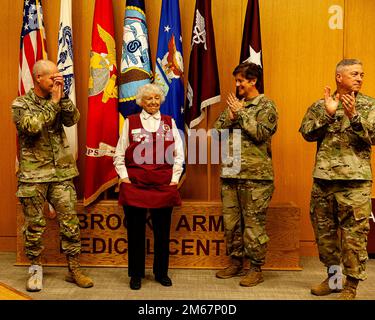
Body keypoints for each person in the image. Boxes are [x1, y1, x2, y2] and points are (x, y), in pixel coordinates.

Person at [11, 59, 93, 292]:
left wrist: (63, 98)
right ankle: (35, 268)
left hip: (62, 174)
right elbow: (31, 127)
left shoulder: (58, 99)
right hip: (34, 175)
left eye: (59, 76)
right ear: (38, 78)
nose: (58, 80)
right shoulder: (20, 103)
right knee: (34, 226)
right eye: (52, 77)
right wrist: (54, 102)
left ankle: (74, 268)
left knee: (70, 223)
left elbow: (72, 119)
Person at [299, 59, 375, 300]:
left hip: (355, 182)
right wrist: (329, 116)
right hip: (324, 180)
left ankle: (351, 286)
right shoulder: (321, 105)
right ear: (339, 77)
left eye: (362, 74)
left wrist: (354, 116)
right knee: (325, 235)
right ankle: (333, 280)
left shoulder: (369, 105)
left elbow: (373, 137)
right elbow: (307, 133)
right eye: (354, 74)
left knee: (354, 238)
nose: (360, 78)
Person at [113, 83, 184, 290]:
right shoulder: (130, 122)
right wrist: (125, 178)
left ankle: (161, 272)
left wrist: (174, 179)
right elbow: (119, 153)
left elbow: (179, 155)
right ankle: (136, 274)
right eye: (148, 99)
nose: (153, 102)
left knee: (162, 232)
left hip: (163, 185)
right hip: (135, 185)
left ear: (161, 100)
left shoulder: (169, 122)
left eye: (156, 98)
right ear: (141, 102)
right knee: (135, 232)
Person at [213, 62, 278, 287]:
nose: (237, 84)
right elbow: (215, 133)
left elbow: (260, 134)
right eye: (237, 80)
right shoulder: (236, 104)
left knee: (253, 225)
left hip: (256, 177)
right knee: (232, 224)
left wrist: (241, 115)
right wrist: (230, 116)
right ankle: (235, 262)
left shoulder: (266, 105)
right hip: (231, 173)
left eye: (241, 80)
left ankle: (256, 268)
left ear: (253, 81)